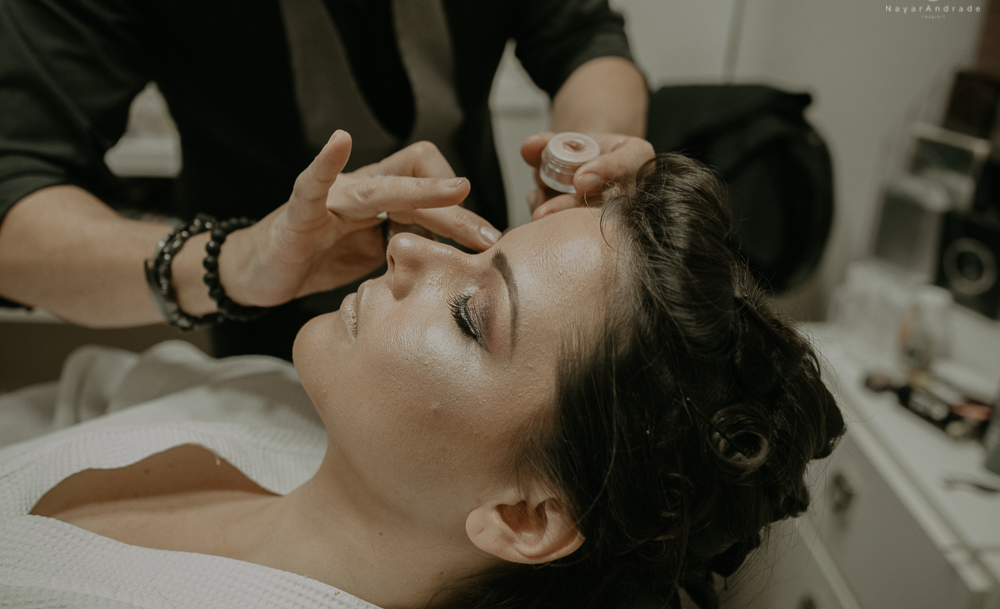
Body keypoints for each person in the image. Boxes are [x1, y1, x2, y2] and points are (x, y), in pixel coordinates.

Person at [0, 151, 845, 609]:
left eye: (472, 315)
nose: (407, 247)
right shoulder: (267, 403)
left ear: (524, 515)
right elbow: (77, 399)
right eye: (479, 247)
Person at [0, 0, 651, 359]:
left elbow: (583, 35)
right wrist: (237, 261)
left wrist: (588, 160)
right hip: (264, 333)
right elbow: (14, 191)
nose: (405, 259)